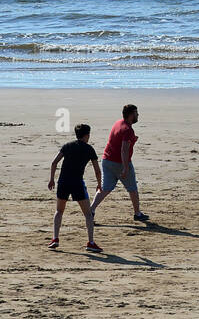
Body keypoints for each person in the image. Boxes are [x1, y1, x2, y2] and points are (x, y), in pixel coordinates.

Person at [47, 123, 103, 252]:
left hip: (63, 182)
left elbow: (54, 162)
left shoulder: (68, 146)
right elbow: (97, 170)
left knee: (59, 211)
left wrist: (51, 179)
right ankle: (91, 242)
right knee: (88, 213)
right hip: (77, 182)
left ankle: (55, 238)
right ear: (87, 135)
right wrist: (99, 184)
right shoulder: (89, 149)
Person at [91, 103, 148, 221]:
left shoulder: (118, 123)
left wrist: (132, 140)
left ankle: (91, 210)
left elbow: (119, 142)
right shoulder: (128, 130)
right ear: (131, 115)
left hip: (107, 160)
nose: (138, 115)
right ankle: (137, 213)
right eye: (136, 113)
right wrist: (125, 167)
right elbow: (124, 150)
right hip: (119, 163)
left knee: (105, 188)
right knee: (132, 188)